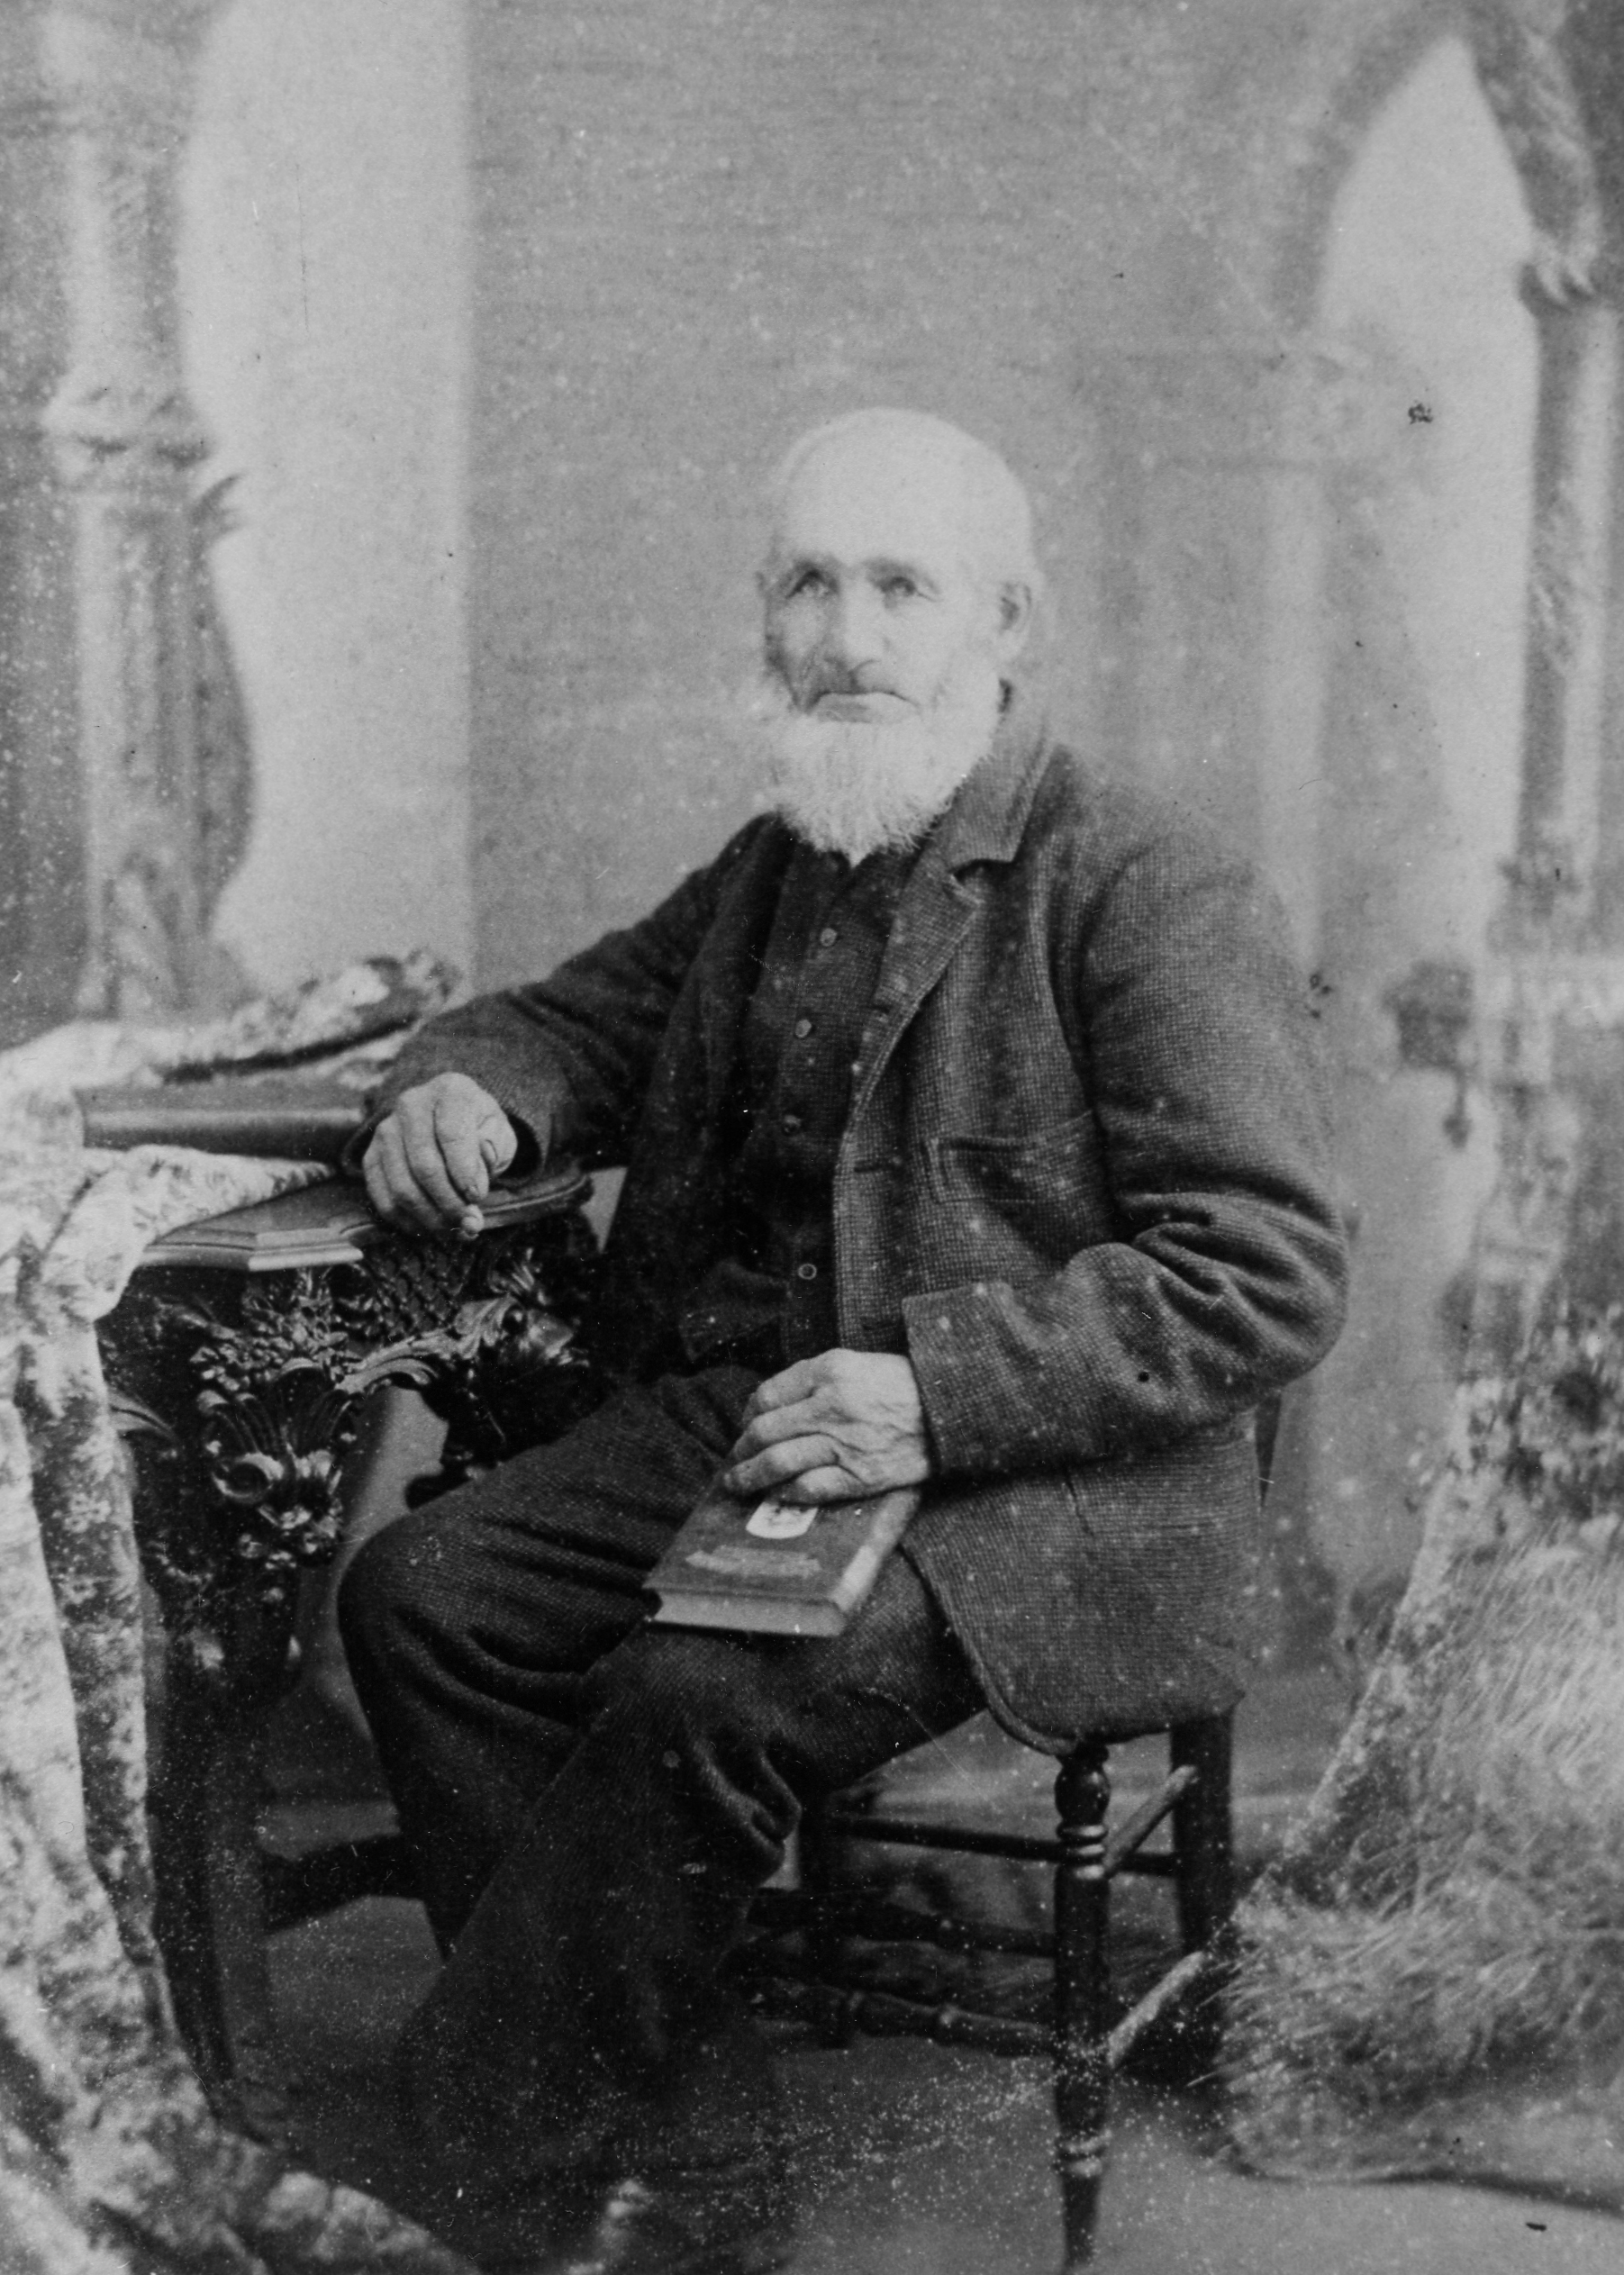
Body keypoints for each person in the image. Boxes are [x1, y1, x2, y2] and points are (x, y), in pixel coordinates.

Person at [341, 407, 1347, 2273]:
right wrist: (465, 1090)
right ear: (766, 616)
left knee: (701, 1699)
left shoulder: (1140, 880)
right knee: (427, 1597)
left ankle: (469, 2166)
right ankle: (689, 2158)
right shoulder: (780, 861)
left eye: (900, 586)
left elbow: (1265, 1268)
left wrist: (936, 1392)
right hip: (759, 1418)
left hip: (1039, 1478)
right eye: (809, 584)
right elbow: (556, 1025)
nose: (848, 635)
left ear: (1007, 623)